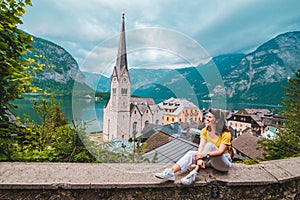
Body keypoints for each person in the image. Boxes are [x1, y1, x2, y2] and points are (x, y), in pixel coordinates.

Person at [155, 108, 232, 185]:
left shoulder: (225, 134)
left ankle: (194, 173)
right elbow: (201, 146)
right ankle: (171, 172)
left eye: (210, 117)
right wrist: (199, 158)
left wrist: (204, 155)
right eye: (207, 116)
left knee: (210, 145)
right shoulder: (205, 131)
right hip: (208, 160)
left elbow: (220, 152)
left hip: (222, 163)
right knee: (191, 153)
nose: (206, 119)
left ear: (217, 121)